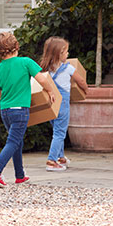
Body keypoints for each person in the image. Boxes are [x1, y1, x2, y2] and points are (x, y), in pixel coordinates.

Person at [0, 32, 54, 187]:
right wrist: (50, 91)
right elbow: (42, 79)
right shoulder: (25, 62)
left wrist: (9, 93)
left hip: (5, 111)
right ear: (16, 46)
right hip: (20, 110)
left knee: (17, 141)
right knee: (13, 141)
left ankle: (20, 175)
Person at [39, 36, 88, 171]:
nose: (68, 54)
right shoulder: (68, 69)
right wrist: (86, 90)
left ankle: (60, 157)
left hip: (50, 104)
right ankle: (51, 160)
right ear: (59, 53)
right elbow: (81, 82)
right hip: (63, 103)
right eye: (66, 51)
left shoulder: (44, 68)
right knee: (60, 132)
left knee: (56, 130)